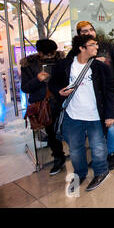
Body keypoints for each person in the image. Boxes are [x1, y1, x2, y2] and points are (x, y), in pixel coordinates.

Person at [49, 35, 114, 192]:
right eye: (92, 44)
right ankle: (79, 174)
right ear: (81, 48)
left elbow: (108, 92)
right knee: (75, 149)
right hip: (72, 115)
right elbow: (53, 84)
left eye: (96, 44)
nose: (96, 47)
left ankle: (101, 172)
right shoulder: (64, 65)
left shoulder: (101, 67)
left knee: (98, 147)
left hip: (95, 115)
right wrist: (59, 92)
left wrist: (110, 114)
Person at [75, 21, 114, 171]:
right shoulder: (78, 51)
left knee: (110, 123)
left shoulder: (106, 46)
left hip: (108, 91)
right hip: (89, 95)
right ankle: (100, 155)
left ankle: (112, 154)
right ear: (79, 35)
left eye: (91, 29)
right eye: (84, 31)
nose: (89, 32)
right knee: (96, 126)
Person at [21, 39, 66, 176]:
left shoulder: (61, 60)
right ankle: (59, 157)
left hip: (63, 100)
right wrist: (38, 79)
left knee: (70, 129)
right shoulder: (28, 65)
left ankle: (77, 155)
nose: (49, 57)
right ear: (39, 52)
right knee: (52, 133)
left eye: (51, 54)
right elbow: (25, 88)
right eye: (46, 54)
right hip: (44, 105)